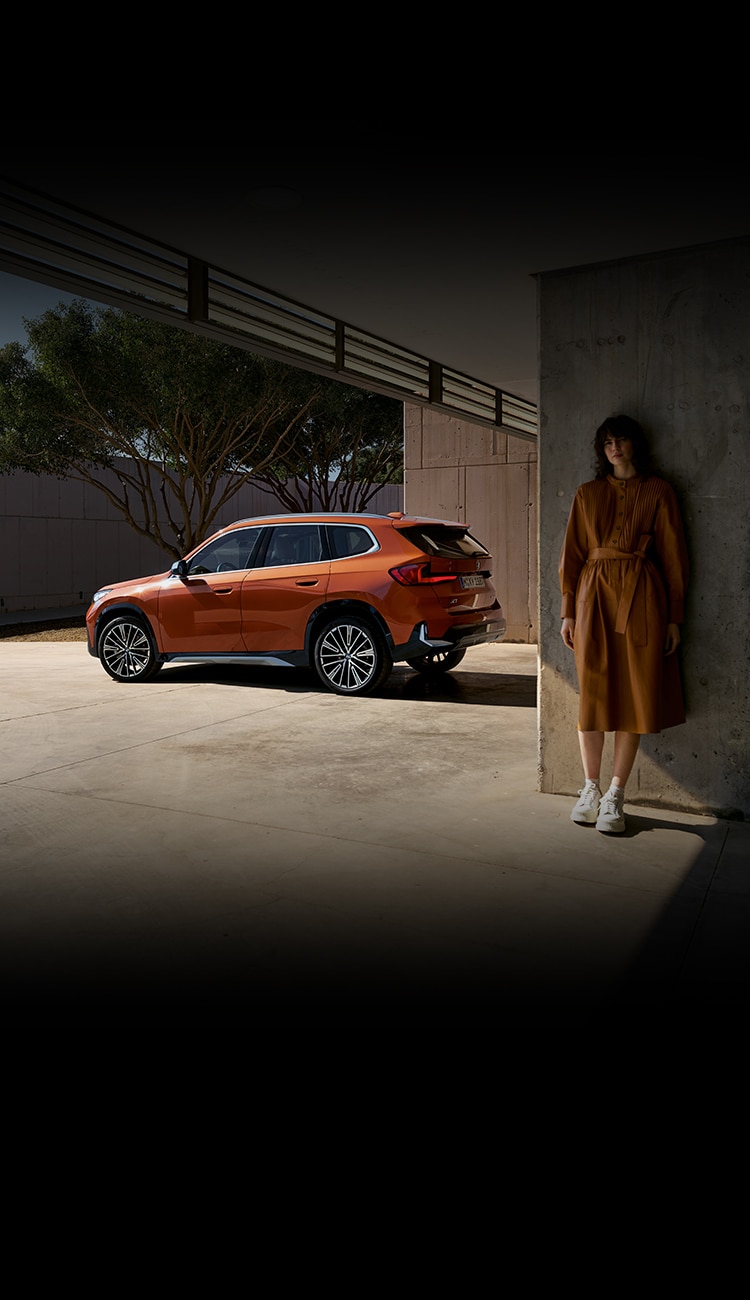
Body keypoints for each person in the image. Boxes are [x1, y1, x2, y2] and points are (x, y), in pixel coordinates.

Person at [559, 415, 689, 834]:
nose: (614, 448)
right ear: (601, 450)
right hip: (592, 596)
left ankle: (616, 794)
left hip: (642, 598)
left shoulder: (660, 491)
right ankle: (590, 788)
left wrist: (674, 617)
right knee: (593, 695)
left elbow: (674, 558)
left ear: (635, 445)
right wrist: (568, 612)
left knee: (635, 695)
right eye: (607, 442)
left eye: (621, 440)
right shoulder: (587, 493)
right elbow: (572, 556)